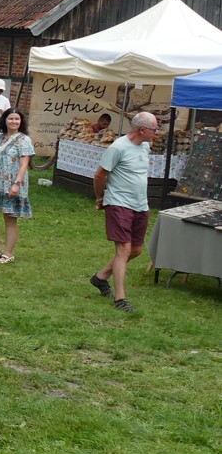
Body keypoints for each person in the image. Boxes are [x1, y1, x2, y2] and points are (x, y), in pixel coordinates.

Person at [90, 112, 158, 313]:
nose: (157, 132)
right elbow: (99, 174)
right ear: (142, 130)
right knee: (124, 249)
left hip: (140, 204)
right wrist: (100, 197)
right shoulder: (118, 147)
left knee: (136, 250)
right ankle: (120, 299)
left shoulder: (145, 146)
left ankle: (100, 277)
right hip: (119, 203)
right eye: (154, 129)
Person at [0, 109, 35, 265]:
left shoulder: (24, 140)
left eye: (17, 119)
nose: (14, 122)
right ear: (5, 120)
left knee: (9, 219)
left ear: (21, 122)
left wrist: (17, 183)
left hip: (12, 183)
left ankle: (8, 254)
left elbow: (24, 164)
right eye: (11, 118)